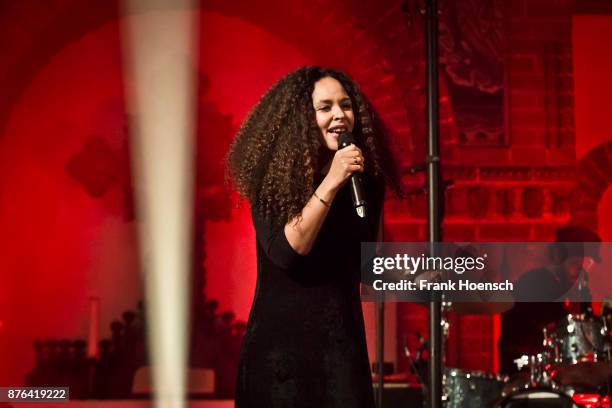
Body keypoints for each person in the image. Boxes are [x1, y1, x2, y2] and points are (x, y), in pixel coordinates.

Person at [226, 66, 401, 407]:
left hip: (341, 349)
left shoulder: (365, 182)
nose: (340, 115)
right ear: (301, 119)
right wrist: (332, 180)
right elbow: (288, 253)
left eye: (346, 105)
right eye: (325, 107)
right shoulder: (273, 181)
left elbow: (360, 265)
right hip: (280, 357)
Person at [498, 225, 602, 374]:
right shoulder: (532, 287)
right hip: (529, 383)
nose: (582, 269)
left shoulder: (578, 292)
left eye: (588, 263)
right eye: (576, 262)